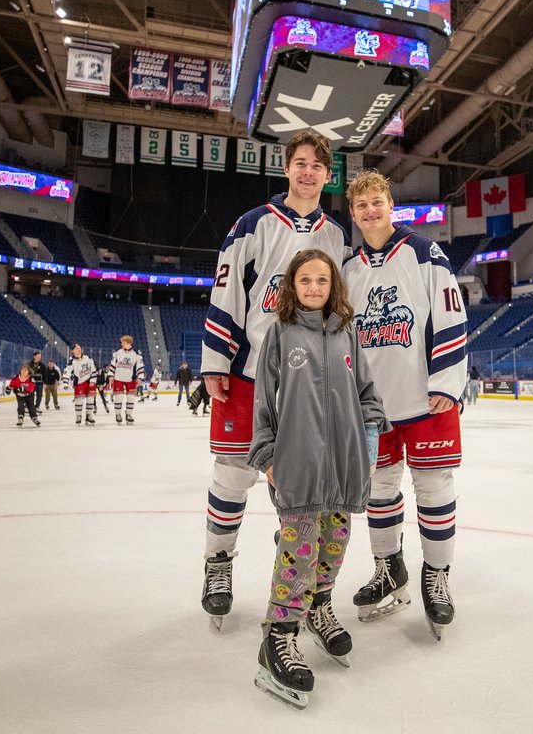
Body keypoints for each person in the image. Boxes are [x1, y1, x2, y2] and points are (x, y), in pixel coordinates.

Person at [199, 129, 352, 628]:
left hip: (310, 383)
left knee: (303, 488)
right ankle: (218, 563)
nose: (308, 172)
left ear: (328, 178)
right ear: (287, 168)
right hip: (248, 373)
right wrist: (216, 361)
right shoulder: (253, 224)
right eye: (300, 162)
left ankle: (301, 580)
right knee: (233, 475)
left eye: (318, 166)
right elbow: (225, 292)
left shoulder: (336, 236)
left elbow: (340, 308)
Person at [248, 249, 389, 708]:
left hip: (344, 466)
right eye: (304, 280)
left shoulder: (348, 335)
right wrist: (268, 455)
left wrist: (368, 448)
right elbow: (263, 404)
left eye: (322, 281)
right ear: (292, 285)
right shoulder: (280, 334)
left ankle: (318, 606)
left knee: (335, 541)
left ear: (334, 287)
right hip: (298, 464)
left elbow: (368, 395)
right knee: (299, 546)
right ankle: (279, 635)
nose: (313, 287)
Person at [342, 170, 466, 637]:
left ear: (390, 204)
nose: (370, 211)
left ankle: (436, 577)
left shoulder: (424, 253)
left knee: (433, 488)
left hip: (425, 397)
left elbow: (452, 313)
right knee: (379, 489)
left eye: (377, 201)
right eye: (361, 206)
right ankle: (388, 566)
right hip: (373, 404)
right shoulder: (348, 268)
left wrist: (447, 382)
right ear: (353, 215)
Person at [108, 335, 145, 425]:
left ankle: (128, 414)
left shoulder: (136, 352)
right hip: (118, 378)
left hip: (130, 379)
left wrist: (140, 377)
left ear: (128, 343)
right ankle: (118, 415)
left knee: (131, 398)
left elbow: (140, 366)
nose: (121, 344)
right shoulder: (117, 351)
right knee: (118, 398)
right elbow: (113, 364)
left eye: (123, 342)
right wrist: (110, 376)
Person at [64, 344, 98, 426]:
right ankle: (78, 416)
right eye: (76, 348)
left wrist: (93, 380)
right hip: (79, 383)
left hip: (90, 382)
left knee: (90, 400)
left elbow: (94, 369)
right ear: (73, 351)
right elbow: (66, 372)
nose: (79, 349)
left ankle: (89, 415)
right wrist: (65, 383)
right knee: (79, 401)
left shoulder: (88, 358)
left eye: (79, 348)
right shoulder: (72, 362)